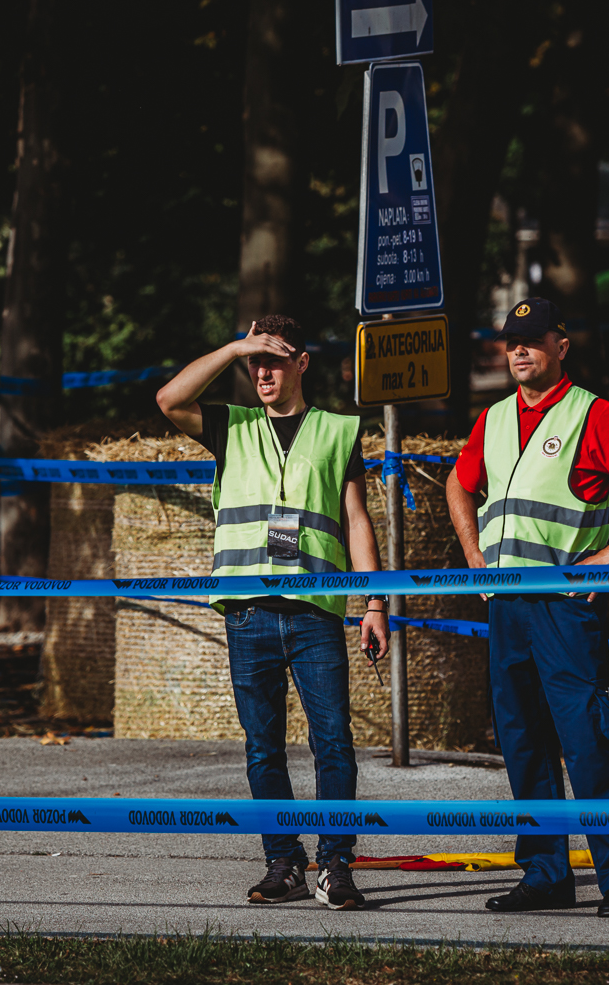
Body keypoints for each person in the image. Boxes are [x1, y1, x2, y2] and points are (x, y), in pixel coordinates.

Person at [444, 296, 609, 919]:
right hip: (507, 607)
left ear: (561, 347)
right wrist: (474, 555)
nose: (518, 349)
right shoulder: (494, 418)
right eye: (510, 341)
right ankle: (546, 875)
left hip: (562, 608)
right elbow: (457, 481)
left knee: (588, 744)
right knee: (523, 744)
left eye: (532, 339)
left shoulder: (592, 415)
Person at [156, 314, 391, 911]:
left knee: (333, 742)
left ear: (302, 363)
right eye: (254, 362)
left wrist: (374, 601)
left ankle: (335, 866)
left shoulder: (339, 430)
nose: (262, 371)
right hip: (248, 613)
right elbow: (168, 398)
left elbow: (356, 519)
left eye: (275, 359)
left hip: (314, 611)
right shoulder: (230, 426)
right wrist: (237, 344)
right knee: (263, 748)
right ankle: (282, 863)